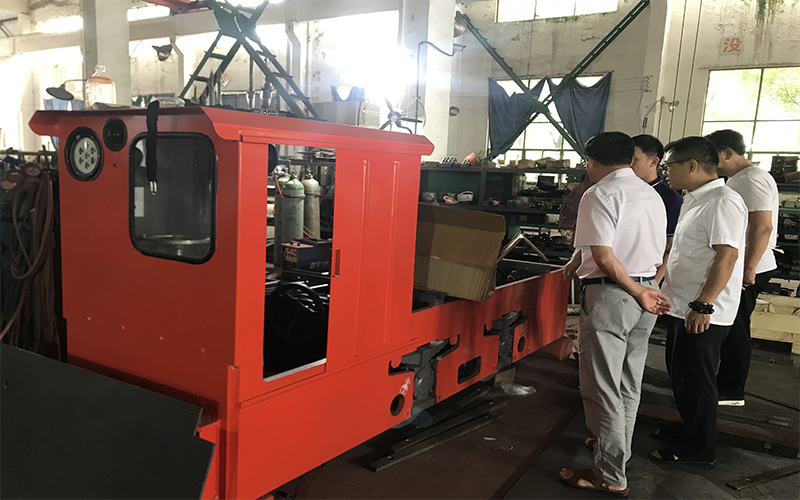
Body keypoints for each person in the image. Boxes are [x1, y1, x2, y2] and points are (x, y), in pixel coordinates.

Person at [560, 132, 671, 496]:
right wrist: (644, 289)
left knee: (602, 388)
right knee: (627, 385)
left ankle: (609, 474)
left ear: (592, 161)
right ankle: (616, 452)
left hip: (614, 296)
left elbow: (605, 257)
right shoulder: (650, 193)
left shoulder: (599, 193)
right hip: (646, 295)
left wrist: (635, 290)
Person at [651, 137, 747, 465]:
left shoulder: (723, 201)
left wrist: (703, 304)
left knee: (697, 379)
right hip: (682, 304)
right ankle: (689, 429)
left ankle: (699, 449)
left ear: (691, 166)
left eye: (669, 166)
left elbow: (726, 256)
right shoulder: (695, 199)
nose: (665, 173)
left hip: (702, 309)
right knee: (681, 376)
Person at [705, 129, 779, 407]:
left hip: (751, 266)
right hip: (743, 264)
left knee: (735, 328)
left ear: (728, 152)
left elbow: (762, 227)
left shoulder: (751, 179)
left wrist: (749, 268)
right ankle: (725, 383)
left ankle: (731, 390)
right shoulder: (740, 179)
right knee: (731, 325)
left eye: (712, 154)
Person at [632, 134, 683, 283]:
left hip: (648, 277)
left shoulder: (669, 198)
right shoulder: (625, 190)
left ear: (653, 162)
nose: (628, 165)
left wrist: (653, 282)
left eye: (634, 159)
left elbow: (670, 245)